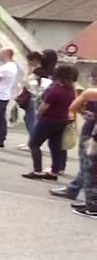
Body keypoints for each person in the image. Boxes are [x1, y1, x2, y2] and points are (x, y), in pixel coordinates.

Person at [24, 64, 78, 181]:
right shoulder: (71, 89)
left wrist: (38, 114)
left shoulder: (55, 89)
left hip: (48, 119)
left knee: (34, 143)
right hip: (62, 119)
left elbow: (44, 106)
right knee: (55, 146)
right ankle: (54, 171)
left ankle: (37, 170)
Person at [68, 82, 97, 218]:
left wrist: (85, 113)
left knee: (90, 170)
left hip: (92, 135)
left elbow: (73, 106)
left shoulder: (91, 93)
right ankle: (90, 201)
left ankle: (93, 205)